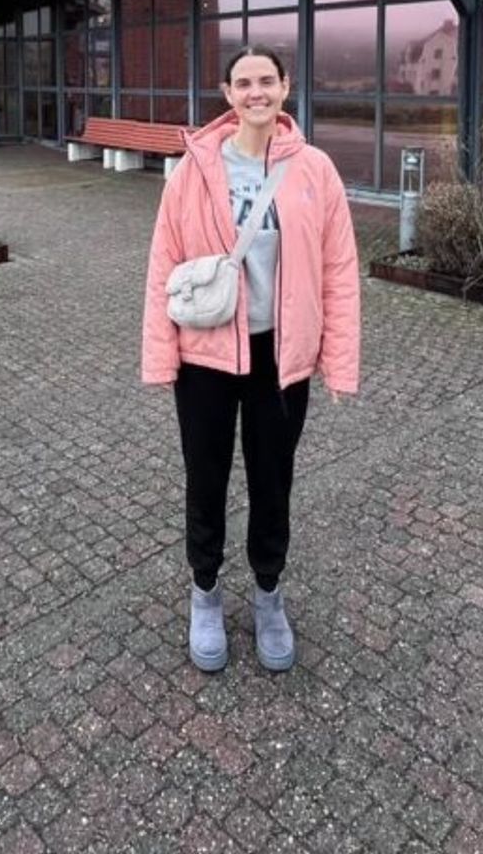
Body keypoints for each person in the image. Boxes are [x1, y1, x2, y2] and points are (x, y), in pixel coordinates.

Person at [142, 45, 361, 673]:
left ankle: (269, 593)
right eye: (244, 82)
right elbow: (164, 262)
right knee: (205, 479)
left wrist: (339, 363)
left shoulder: (315, 170)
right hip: (206, 356)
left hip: (280, 361)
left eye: (267, 80)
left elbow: (339, 272)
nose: (256, 92)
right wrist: (161, 358)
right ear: (227, 92)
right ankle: (205, 592)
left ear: (286, 88)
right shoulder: (194, 170)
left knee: (273, 481)